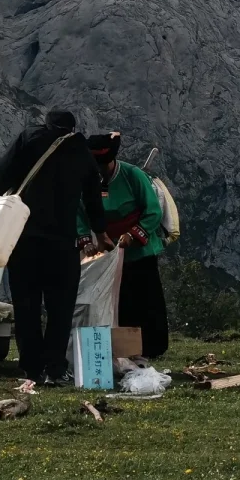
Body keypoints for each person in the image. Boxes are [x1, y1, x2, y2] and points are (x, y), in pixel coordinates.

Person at [0, 108, 108, 387]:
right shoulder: (80, 150)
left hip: (24, 239)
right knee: (60, 308)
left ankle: (31, 369)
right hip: (61, 242)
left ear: (47, 123)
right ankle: (55, 368)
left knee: (26, 305)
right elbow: (93, 198)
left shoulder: (28, 139)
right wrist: (100, 233)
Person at [80, 132, 169, 359]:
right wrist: (86, 240)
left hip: (139, 250)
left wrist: (132, 234)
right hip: (107, 252)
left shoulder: (132, 175)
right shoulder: (86, 179)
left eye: (102, 164)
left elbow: (153, 210)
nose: (99, 169)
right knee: (119, 302)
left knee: (146, 300)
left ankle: (152, 348)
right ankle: (123, 349)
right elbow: (79, 213)